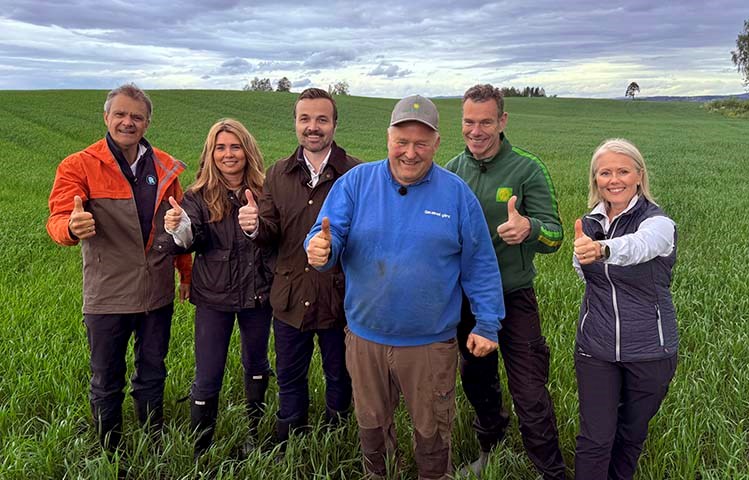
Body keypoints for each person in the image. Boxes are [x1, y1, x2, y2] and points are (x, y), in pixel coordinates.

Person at [305, 95, 505, 480]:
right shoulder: (356, 183)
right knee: (372, 427)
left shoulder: (456, 194)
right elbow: (326, 235)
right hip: (366, 339)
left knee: (432, 432)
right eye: (402, 142)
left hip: (430, 344)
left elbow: (479, 264)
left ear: (436, 144)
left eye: (421, 143)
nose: (410, 153)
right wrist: (319, 248)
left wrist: (487, 323)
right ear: (387, 139)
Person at [46, 84, 191, 451]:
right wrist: (70, 228)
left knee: (153, 371)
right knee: (106, 378)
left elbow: (176, 225)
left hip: (156, 292)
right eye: (121, 115)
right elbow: (58, 218)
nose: (128, 122)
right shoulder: (79, 165)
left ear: (147, 122)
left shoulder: (164, 166)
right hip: (107, 293)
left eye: (136, 117)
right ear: (106, 117)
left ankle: (151, 439)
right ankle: (111, 448)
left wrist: (185, 275)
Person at [445, 84, 565, 479]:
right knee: (478, 382)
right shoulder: (451, 172)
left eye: (485, 122)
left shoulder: (527, 169)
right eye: (468, 121)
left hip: (514, 298)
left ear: (502, 121)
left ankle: (550, 470)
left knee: (530, 391)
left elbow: (555, 236)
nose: (475, 130)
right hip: (469, 302)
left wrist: (529, 228)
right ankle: (489, 449)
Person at [238, 88, 358, 444]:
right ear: (295, 123)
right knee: (290, 377)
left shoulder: (356, 174)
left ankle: (336, 441)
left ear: (335, 124)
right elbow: (270, 232)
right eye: (305, 119)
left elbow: (366, 238)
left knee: (340, 376)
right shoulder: (277, 174)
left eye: (322, 119)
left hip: (339, 299)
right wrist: (255, 225)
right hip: (289, 298)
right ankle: (289, 439)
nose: (313, 127)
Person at [164, 119, 274, 458]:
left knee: (256, 363)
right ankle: (201, 447)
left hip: (258, 293)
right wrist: (179, 227)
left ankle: (254, 432)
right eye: (220, 148)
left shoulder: (266, 191)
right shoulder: (197, 196)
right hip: (214, 296)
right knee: (209, 370)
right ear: (211, 153)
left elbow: (276, 237)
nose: (228, 154)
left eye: (235, 146)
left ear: (247, 150)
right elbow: (190, 239)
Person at [572, 138, 678, 480]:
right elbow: (585, 277)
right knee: (594, 439)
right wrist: (588, 251)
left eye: (622, 171)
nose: (613, 179)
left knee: (631, 435)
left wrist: (602, 250)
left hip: (650, 351)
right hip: (595, 349)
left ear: (638, 176)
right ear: (595, 179)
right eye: (605, 172)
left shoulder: (659, 223)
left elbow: (640, 246)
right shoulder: (588, 225)